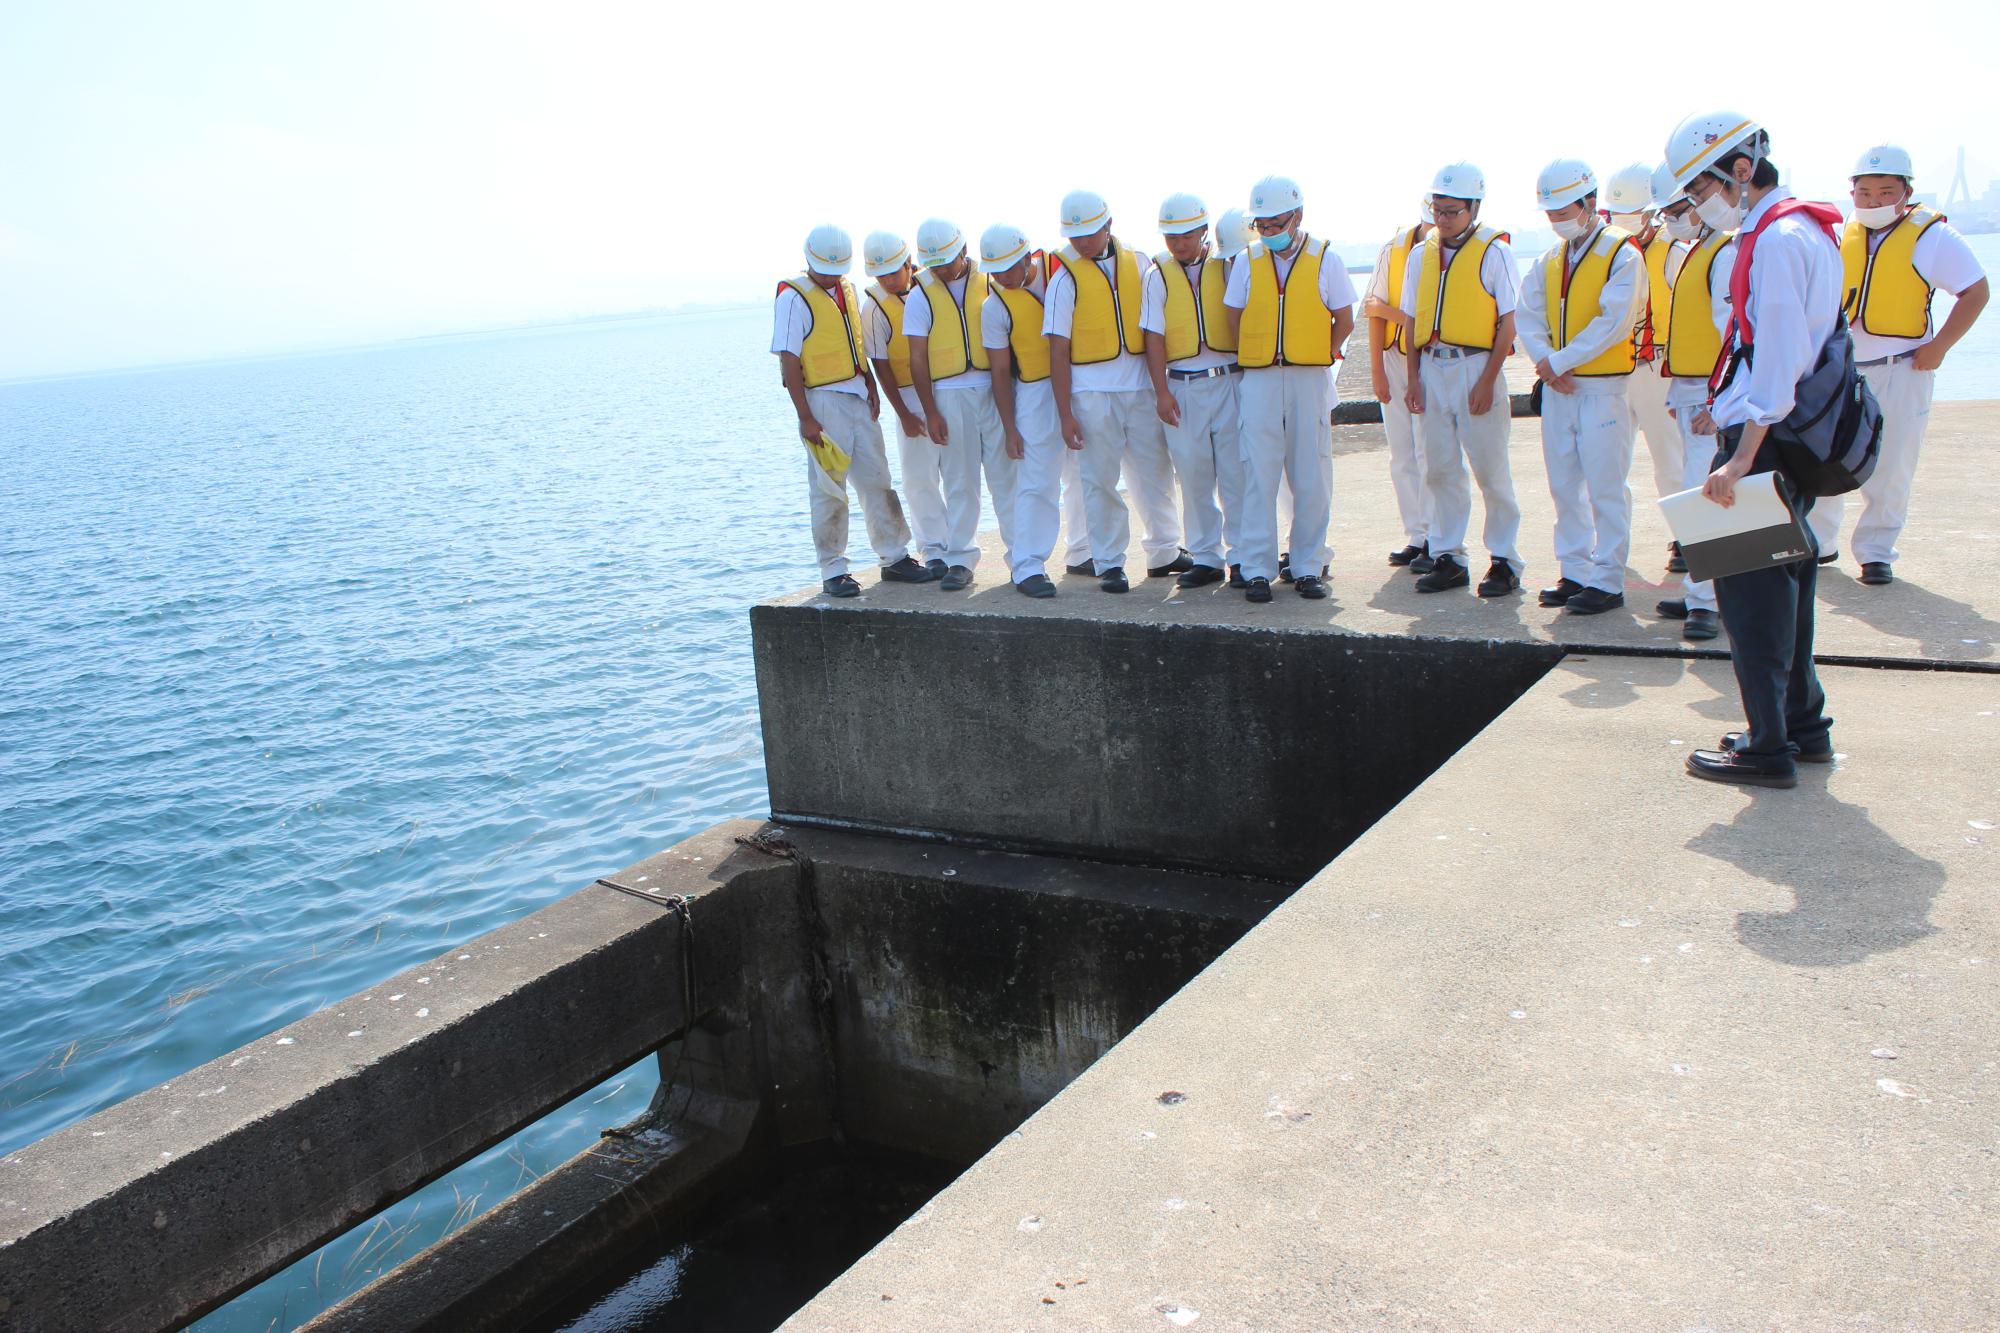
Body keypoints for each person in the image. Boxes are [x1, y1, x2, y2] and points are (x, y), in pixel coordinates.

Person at [1669, 111, 1840, 789]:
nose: (1696, 206)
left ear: (1742, 170)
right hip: (1789, 433)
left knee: (1752, 599)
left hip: (1763, 439)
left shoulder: (1772, 240)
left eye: (1701, 188)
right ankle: (1804, 726)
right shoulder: (1809, 228)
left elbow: (1777, 353)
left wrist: (1742, 454)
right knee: (1791, 588)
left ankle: (1768, 744)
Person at [1805, 144, 1990, 585]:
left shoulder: (1933, 236)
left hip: (1904, 366)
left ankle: (1875, 551)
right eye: (1864, 192)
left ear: (1907, 191)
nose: (1873, 202)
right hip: (1844, 365)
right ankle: (1820, 543)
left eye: (1885, 191)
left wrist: (1940, 347)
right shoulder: (1838, 232)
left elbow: (1976, 290)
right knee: (1825, 454)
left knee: (1893, 462)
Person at [1517, 159, 1646, 615]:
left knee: (1606, 487)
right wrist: (1545, 363)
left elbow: (1613, 322)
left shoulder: (1623, 254)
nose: (1557, 221)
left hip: (1602, 389)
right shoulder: (1550, 259)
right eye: (1550, 214)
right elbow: (1528, 314)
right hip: (1560, 389)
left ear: (1590, 202)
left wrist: (1557, 361)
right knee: (1564, 485)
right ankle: (1574, 571)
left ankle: (1608, 579)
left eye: (1564, 210)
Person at [771, 223, 929, 597]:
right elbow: (789, 360)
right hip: (822, 401)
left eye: (838, 269)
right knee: (829, 488)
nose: (832, 275)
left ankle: (894, 556)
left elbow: (856, 343)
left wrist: (870, 385)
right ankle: (833, 569)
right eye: (826, 269)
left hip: (857, 395)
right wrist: (805, 416)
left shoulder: (847, 289)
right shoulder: (793, 297)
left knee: (877, 479)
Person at [1046, 189, 1188, 593]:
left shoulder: (1141, 263)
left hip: (1141, 387)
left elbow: (1153, 329)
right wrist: (1065, 413)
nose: (1081, 242)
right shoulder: (1063, 279)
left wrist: (1160, 389)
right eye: (1074, 236)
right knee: (1098, 479)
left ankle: (1164, 550)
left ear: (1108, 225)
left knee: (1154, 470)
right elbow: (1057, 348)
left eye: (1089, 233)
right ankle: (1108, 561)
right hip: (1091, 394)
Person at [1225, 175, 1357, 603]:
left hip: (1308, 378)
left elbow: (1344, 318)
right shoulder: (1248, 261)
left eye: (1274, 223)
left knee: (1311, 476)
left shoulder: (1326, 259)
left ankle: (1306, 565)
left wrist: (1321, 354)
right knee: (1257, 476)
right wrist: (1255, 355)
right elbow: (1234, 316)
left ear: (1296, 216)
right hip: (1260, 379)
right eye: (1260, 225)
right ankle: (1258, 569)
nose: (1267, 232)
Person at [1399, 162, 1523, 597]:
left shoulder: (1495, 252)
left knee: (1491, 469)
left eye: (1452, 211)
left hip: (1475, 364)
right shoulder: (1421, 255)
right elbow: (1411, 319)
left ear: (1473, 207)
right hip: (1434, 366)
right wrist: (1413, 378)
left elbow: (1510, 321)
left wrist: (1488, 380)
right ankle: (1449, 554)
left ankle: (1505, 559)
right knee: (1439, 467)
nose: (1443, 219)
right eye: (1437, 210)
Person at [905, 217, 1018, 592]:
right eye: (933, 263)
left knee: (1007, 478)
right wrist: (930, 411)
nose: (940, 269)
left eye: (947, 261)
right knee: (959, 481)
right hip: (948, 394)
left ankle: (1022, 558)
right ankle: (960, 558)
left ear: (964, 251)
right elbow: (917, 358)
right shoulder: (920, 292)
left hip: (993, 387)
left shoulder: (990, 281)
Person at [1143, 193, 1241, 589]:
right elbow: (1153, 336)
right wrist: (1161, 392)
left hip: (1229, 378)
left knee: (1237, 473)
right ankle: (1206, 556)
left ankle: (1244, 555)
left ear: (1204, 230)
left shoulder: (1228, 265)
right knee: (1194, 476)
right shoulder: (1157, 275)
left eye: (1186, 234)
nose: (1178, 243)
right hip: (1182, 384)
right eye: (1171, 236)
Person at [1649, 162, 1731, 642]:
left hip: (1710, 390)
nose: (1675, 218)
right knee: (1692, 493)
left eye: (1681, 208)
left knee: (1703, 495)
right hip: (1691, 387)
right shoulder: (1695, 251)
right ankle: (1704, 591)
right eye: (1668, 212)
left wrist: (1716, 400)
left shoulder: (1721, 251)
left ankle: (1706, 603)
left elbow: (1731, 330)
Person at [1606, 161, 1689, 574]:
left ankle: (1685, 537)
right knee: (1609, 461)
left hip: (1660, 367)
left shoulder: (1675, 251)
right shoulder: (1606, 253)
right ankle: (1610, 542)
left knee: (1671, 458)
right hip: (1617, 369)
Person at [979, 224, 1063, 598]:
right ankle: (1027, 565)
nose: (1000, 278)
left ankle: (1084, 551)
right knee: (1035, 479)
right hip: (1035, 390)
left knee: (1087, 474)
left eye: (1007, 269)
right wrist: (1010, 427)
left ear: (1028, 258)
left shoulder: (1061, 273)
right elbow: (999, 370)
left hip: (1082, 379)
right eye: (993, 271)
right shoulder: (994, 305)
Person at [861, 230, 948, 579]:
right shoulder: (873, 307)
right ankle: (934, 549)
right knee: (919, 477)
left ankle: (959, 545)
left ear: (909, 263)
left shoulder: (932, 287)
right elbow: (880, 365)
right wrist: (905, 414)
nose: (886, 279)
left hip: (945, 384)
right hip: (910, 395)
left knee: (957, 471)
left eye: (892, 271)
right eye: (879, 274)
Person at [1364, 203, 1435, 570]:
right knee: (1402, 454)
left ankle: (1435, 536)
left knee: (1428, 451)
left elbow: (1421, 317)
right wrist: (1375, 369)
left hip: (1429, 360)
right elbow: (1371, 309)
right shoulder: (1393, 249)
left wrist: (1395, 314)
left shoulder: (1450, 253)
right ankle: (1416, 535)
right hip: (1395, 357)